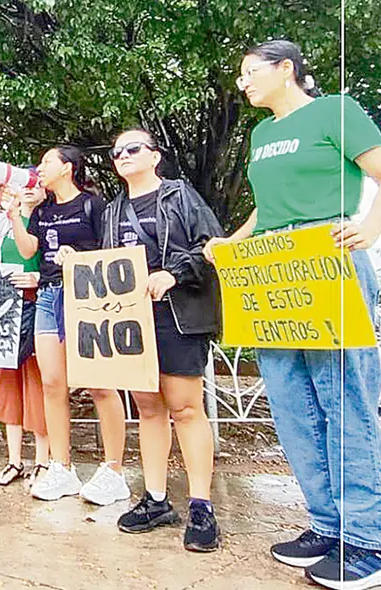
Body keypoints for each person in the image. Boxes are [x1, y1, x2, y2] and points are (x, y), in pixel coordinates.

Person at [204, 40, 381, 587]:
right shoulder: (262, 135)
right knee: (290, 404)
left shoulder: (336, 112)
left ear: (287, 69)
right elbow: (268, 207)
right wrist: (231, 242)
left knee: (344, 398)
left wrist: (371, 226)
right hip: (271, 265)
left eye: (250, 72)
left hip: (327, 253)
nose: (243, 83)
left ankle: (368, 539)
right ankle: (326, 525)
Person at [100, 129, 223, 552]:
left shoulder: (181, 196)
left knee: (186, 408)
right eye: (117, 152)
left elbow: (211, 247)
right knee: (148, 408)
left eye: (133, 148)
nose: (123, 155)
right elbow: (106, 264)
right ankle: (155, 499)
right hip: (132, 321)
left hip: (179, 316)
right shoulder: (112, 211)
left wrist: (174, 273)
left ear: (155, 156)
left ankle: (201, 505)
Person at [8, 147, 130, 505]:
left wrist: (79, 259)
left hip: (86, 295)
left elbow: (111, 250)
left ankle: (114, 470)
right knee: (52, 383)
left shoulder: (93, 205)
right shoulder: (42, 211)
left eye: (47, 161)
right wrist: (16, 216)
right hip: (48, 297)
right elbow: (29, 250)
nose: (40, 168)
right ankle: (61, 466)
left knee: (99, 383)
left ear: (67, 168)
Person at [0, 184, 49, 486]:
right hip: (4, 307)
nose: (29, 189)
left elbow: (57, 264)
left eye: (36, 184)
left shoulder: (49, 219)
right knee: (5, 385)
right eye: (23, 185)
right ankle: (14, 460)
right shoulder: (3, 223)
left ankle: (43, 460)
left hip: (39, 304)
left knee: (38, 384)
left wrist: (37, 278)